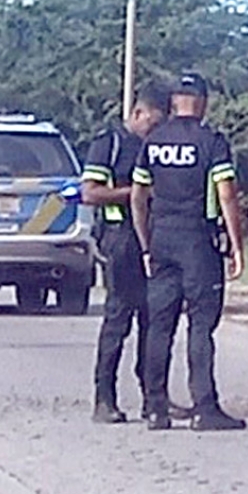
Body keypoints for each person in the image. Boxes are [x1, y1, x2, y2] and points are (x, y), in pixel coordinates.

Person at [131, 72, 247, 431]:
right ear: (202, 102)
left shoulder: (154, 141)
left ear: (174, 102)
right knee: (200, 325)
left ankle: (155, 408)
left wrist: (146, 243)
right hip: (199, 241)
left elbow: (138, 196)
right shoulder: (211, 141)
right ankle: (204, 408)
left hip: (162, 239)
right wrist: (237, 245)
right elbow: (226, 194)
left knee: (159, 326)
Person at [82, 82, 184, 424]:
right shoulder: (109, 143)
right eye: (153, 124)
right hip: (121, 239)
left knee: (155, 320)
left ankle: (155, 397)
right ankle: (104, 398)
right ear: (137, 113)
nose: (155, 131)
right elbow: (91, 194)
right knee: (119, 318)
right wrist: (138, 194)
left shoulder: (158, 147)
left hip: (157, 239)